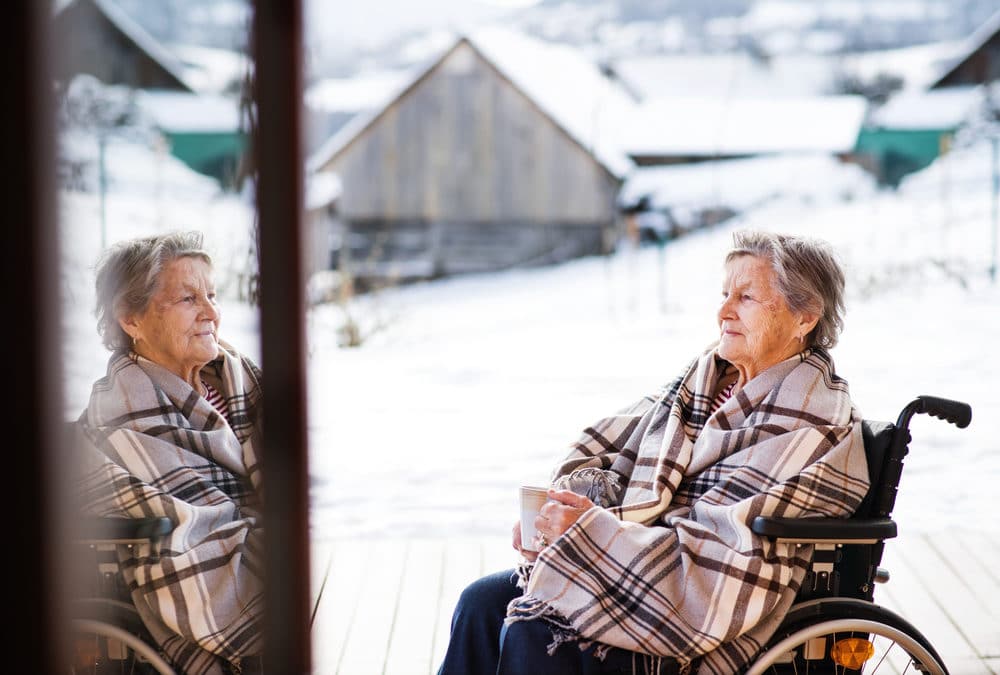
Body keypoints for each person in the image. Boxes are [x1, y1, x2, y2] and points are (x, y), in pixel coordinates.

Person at [437, 230, 871, 675]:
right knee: (481, 603)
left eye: (746, 298)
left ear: (805, 317)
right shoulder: (704, 382)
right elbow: (620, 457)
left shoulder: (810, 416)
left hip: (696, 598)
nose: (722, 312)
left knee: (536, 632)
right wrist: (562, 516)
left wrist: (595, 534)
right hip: (639, 563)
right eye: (724, 294)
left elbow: (722, 553)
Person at [73, 231, 263, 675]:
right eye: (188, 299)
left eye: (212, 295)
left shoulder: (235, 379)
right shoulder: (125, 410)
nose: (212, 313)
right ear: (131, 319)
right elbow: (188, 518)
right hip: (205, 572)